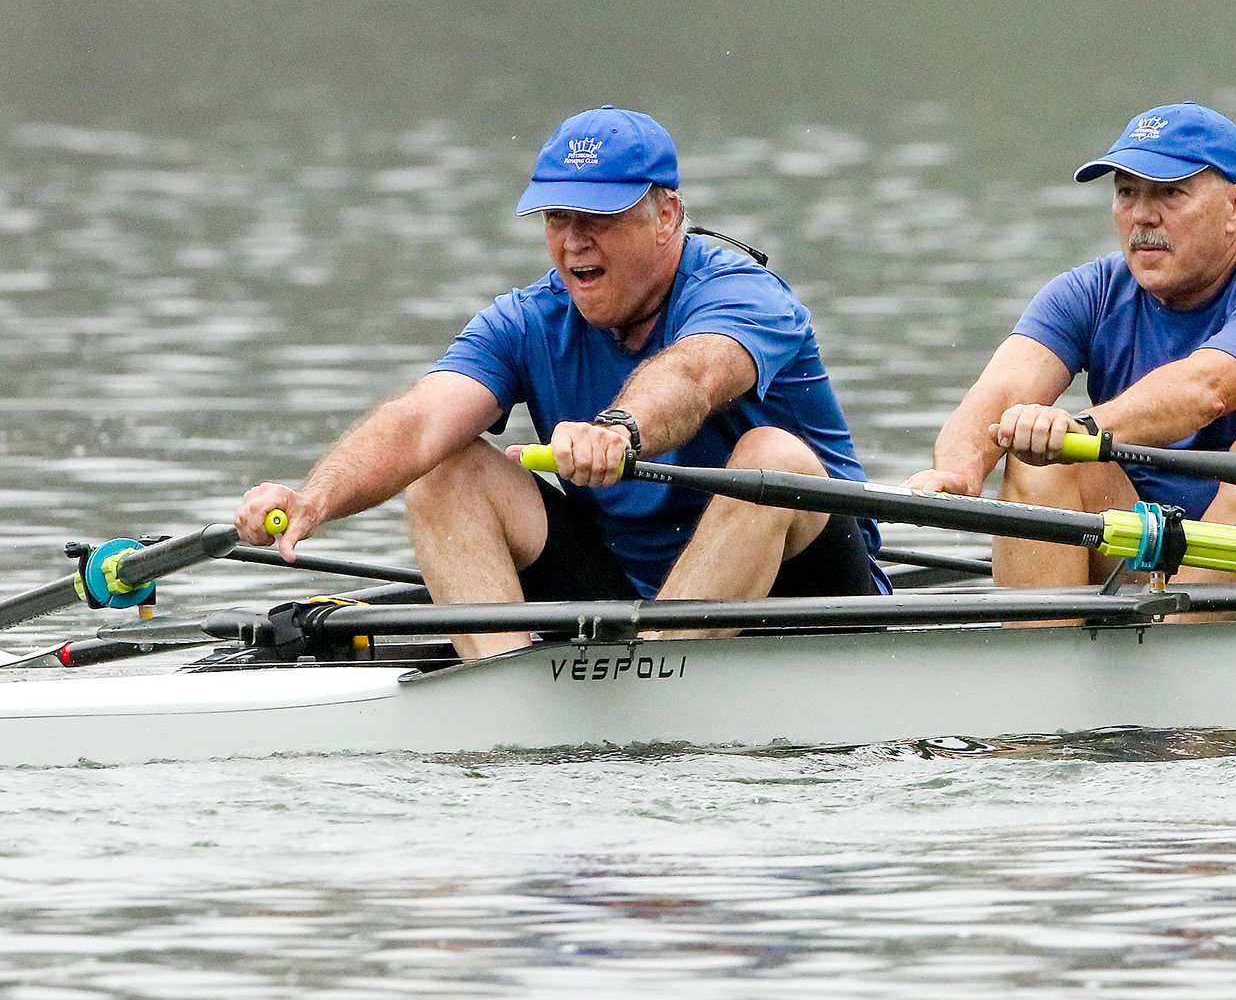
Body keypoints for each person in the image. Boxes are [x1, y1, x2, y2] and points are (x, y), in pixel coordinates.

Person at [235, 105, 886, 657]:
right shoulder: (527, 321)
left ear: (667, 216)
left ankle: (659, 700)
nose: (574, 243)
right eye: (557, 218)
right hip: (626, 596)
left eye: (596, 217)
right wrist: (316, 497)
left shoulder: (741, 294)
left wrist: (620, 430)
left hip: (810, 595)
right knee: (443, 467)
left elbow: (694, 375)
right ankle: (506, 707)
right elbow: (419, 422)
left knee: (770, 457)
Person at [905, 102, 1236, 583]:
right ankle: (1044, 648)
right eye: (1127, 193)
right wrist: (961, 471)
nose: (1142, 216)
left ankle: (1172, 647)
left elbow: (1203, 390)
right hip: (1151, 543)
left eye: (1170, 193)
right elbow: (1002, 391)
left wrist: (1076, 431)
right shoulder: (1089, 291)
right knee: (1038, 459)